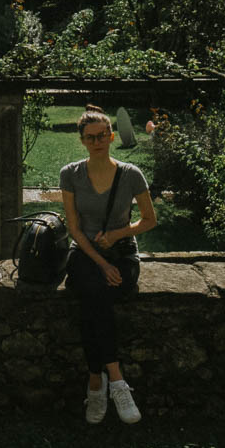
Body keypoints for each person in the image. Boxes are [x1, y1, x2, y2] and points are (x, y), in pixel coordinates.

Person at [60, 105, 157, 424]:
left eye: (102, 135)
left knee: (91, 298)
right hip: (87, 253)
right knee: (95, 287)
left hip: (122, 253)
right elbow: (73, 228)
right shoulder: (71, 174)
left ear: (111, 136)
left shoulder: (130, 174)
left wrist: (117, 234)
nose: (97, 141)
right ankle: (117, 380)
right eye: (91, 137)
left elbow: (149, 220)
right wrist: (101, 263)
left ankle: (95, 382)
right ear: (82, 141)